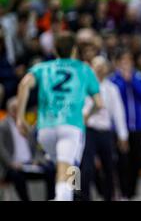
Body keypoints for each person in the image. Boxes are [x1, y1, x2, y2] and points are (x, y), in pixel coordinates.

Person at [15, 31, 103, 201]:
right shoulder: (84, 69)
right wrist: (87, 115)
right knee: (67, 167)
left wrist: (20, 118)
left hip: (45, 128)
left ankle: (71, 193)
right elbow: (99, 104)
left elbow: (24, 84)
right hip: (71, 125)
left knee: (68, 165)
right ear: (74, 50)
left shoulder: (43, 67)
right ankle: (64, 196)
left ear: (55, 50)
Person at [80, 56, 129, 201]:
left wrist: (122, 135)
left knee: (109, 167)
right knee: (87, 168)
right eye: (97, 65)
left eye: (103, 65)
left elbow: (118, 113)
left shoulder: (112, 88)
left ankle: (109, 197)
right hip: (89, 130)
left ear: (107, 68)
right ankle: (85, 197)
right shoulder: (85, 86)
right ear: (92, 67)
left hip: (105, 132)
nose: (100, 68)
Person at [110, 49, 141, 200]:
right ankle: (122, 193)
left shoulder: (140, 78)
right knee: (122, 162)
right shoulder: (114, 80)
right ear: (118, 63)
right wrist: (123, 80)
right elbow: (114, 98)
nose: (126, 64)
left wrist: (131, 81)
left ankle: (132, 193)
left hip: (138, 127)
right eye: (123, 61)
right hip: (120, 129)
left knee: (136, 162)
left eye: (129, 61)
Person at [0, 97, 56, 201]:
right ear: (9, 110)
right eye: (14, 109)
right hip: (13, 166)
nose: (17, 112)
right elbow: (1, 149)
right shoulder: (3, 126)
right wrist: (11, 163)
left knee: (51, 170)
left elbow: (35, 145)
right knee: (17, 176)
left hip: (29, 164)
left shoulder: (25, 124)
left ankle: (51, 198)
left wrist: (35, 159)